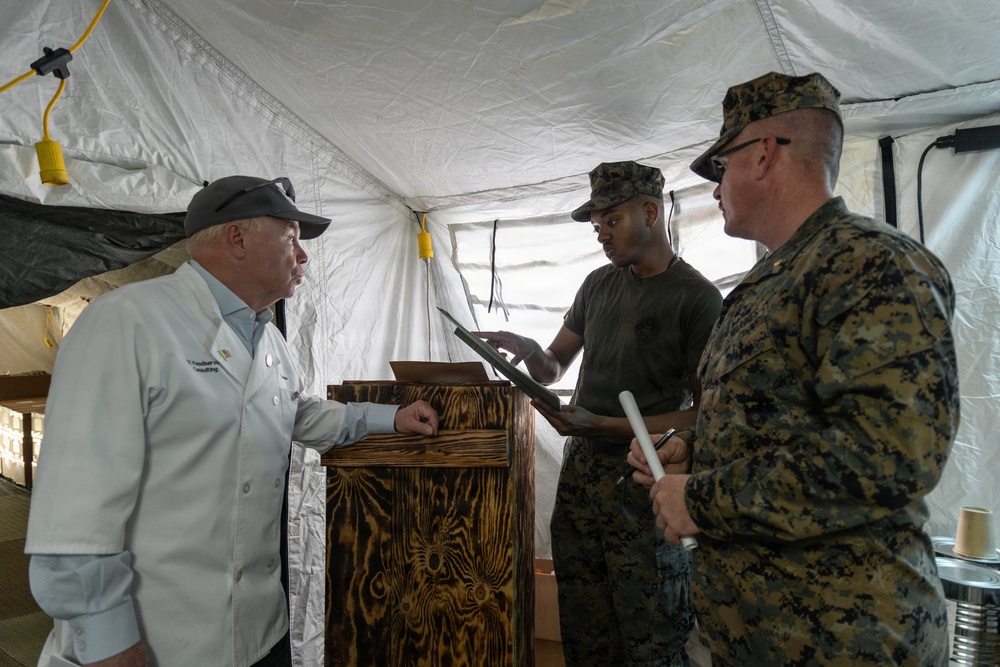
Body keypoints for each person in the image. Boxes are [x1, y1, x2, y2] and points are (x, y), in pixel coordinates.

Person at [25, 175, 440, 667]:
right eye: (291, 238)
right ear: (237, 237)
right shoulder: (127, 321)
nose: (303, 256)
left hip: (260, 632)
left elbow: (293, 412)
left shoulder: (270, 340)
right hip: (157, 642)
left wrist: (389, 418)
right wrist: (108, 642)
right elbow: (75, 511)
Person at [630, 72, 960, 666]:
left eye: (719, 167)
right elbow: (782, 424)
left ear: (762, 154)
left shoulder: (871, 265)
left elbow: (887, 455)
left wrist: (700, 500)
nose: (713, 189)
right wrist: (694, 449)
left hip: (847, 641)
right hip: (760, 636)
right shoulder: (765, 284)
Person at [475, 161, 723, 666]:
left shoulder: (696, 298)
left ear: (651, 212)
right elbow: (551, 366)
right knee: (585, 627)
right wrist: (527, 349)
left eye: (611, 221)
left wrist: (606, 425)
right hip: (583, 479)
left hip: (645, 480)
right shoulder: (597, 285)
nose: (602, 236)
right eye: (596, 226)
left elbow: (706, 414)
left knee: (652, 635)